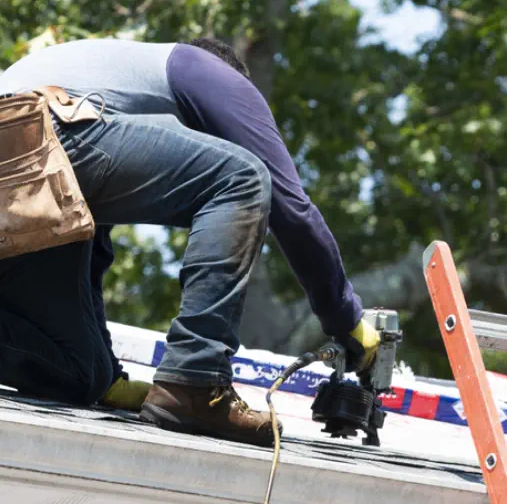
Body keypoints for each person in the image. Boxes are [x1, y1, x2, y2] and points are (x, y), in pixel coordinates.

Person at [0, 37, 380, 447]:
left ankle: (112, 378)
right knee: (245, 178)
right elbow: (291, 210)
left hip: (27, 178)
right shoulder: (212, 72)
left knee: (81, 372)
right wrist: (347, 319)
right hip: (39, 136)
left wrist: (107, 376)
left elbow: (89, 255)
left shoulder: (111, 88)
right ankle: (195, 382)